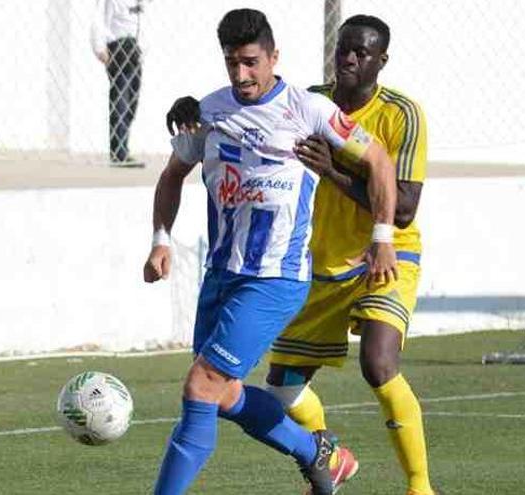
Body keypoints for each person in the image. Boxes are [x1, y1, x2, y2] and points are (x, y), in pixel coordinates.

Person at [167, 14, 435, 495]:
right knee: (244, 389)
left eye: (361, 52)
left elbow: (399, 195)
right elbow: (181, 164)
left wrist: (377, 230)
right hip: (282, 267)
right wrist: (160, 238)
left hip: (344, 262)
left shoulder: (354, 111)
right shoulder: (244, 106)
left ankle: (420, 486)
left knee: (376, 363)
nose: (349, 59)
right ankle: (320, 455)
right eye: (342, 50)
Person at [91, 0, 145, 167]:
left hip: (135, 49)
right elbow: (98, 20)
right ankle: (119, 153)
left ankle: (123, 148)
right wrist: (99, 47)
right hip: (119, 46)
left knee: (131, 102)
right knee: (120, 101)